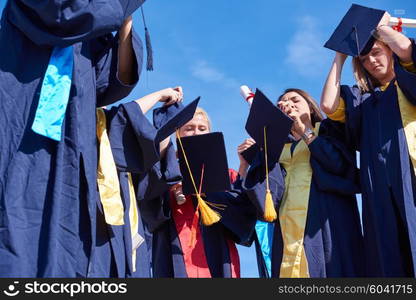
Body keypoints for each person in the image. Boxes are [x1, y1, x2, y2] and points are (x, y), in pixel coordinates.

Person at [0, 0, 146, 277]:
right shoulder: (66, 13)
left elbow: (109, 85)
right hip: (24, 127)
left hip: (73, 141)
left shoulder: (90, 26)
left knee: (67, 244)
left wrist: (125, 23)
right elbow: (62, 15)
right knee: (19, 231)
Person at [321, 6, 416, 277]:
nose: (372, 61)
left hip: (411, 173)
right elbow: (328, 106)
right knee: (387, 253)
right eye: (364, 58)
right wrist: (339, 58)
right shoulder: (362, 100)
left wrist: (381, 28)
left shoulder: (409, 81)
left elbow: (408, 51)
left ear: (389, 50)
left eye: (377, 53)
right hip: (378, 186)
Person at [241, 89, 364, 277]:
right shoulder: (278, 149)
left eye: (295, 100)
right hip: (287, 229)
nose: (289, 104)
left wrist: (304, 131)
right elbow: (267, 199)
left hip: (326, 221)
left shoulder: (329, 129)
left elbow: (340, 166)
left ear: (310, 106)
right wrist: (261, 153)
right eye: (283, 103)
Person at [137, 106, 257, 278]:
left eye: (202, 128)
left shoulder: (227, 175)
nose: (196, 133)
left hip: (217, 253)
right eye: (189, 128)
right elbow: (149, 211)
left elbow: (244, 222)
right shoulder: (166, 172)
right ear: (177, 134)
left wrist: (244, 166)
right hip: (174, 253)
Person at [93, 87, 184, 277]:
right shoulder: (93, 123)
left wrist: (166, 125)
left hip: (129, 231)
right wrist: (158, 95)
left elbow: (151, 177)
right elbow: (121, 119)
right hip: (99, 223)